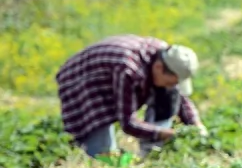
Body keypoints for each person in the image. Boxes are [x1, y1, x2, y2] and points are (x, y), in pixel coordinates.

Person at [55, 36, 205, 157]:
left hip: (112, 71)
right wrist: (167, 134)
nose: (172, 85)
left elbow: (181, 96)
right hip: (83, 80)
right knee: (103, 154)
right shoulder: (128, 70)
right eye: (169, 81)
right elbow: (128, 123)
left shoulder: (168, 57)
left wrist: (196, 124)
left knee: (168, 95)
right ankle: (106, 156)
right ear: (158, 68)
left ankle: (153, 152)